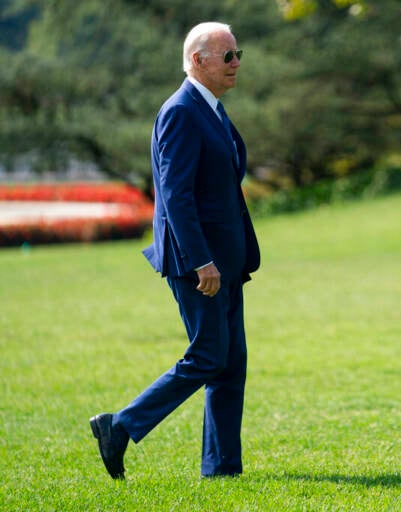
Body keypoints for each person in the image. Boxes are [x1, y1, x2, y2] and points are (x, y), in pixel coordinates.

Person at [89, 21, 260, 479]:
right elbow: (175, 195)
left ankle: (221, 467)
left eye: (237, 53)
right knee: (208, 356)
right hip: (198, 263)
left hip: (227, 260)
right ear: (197, 61)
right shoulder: (181, 111)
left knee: (230, 362)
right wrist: (201, 260)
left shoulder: (213, 109)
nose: (236, 62)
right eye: (227, 56)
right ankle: (119, 426)